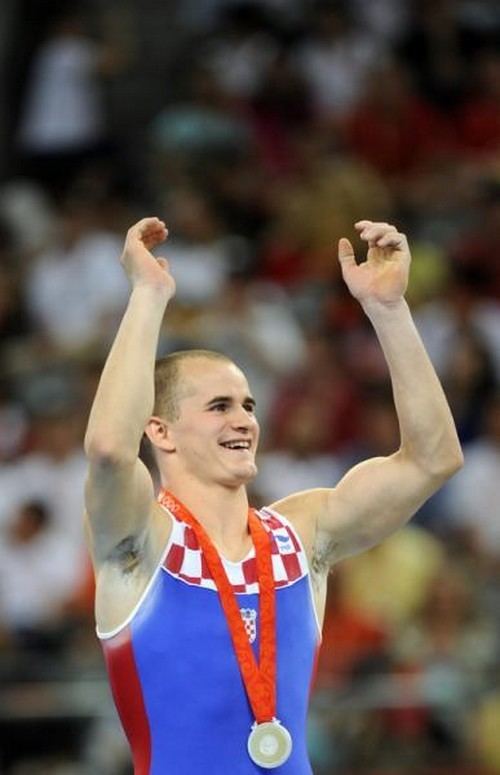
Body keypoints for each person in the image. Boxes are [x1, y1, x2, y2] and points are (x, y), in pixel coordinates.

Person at [83, 217, 463, 774]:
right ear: (159, 430)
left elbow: (433, 459)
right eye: (219, 406)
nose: (244, 421)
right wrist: (148, 294)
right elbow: (111, 449)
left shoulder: (302, 535)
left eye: (249, 406)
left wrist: (389, 312)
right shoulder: (141, 542)